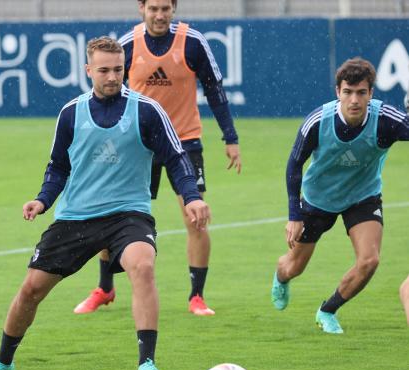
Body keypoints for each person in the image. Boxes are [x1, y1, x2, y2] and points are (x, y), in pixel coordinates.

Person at [0, 37, 210, 370]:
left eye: (118, 69)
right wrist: (42, 200)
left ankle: (147, 365)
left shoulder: (146, 111)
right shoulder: (72, 113)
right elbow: (58, 167)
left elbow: (176, 159)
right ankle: (4, 361)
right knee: (31, 291)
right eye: (103, 70)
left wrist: (191, 196)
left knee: (142, 266)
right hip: (76, 218)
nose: (112, 77)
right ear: (88, 71)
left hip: (128, 215)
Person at [74, 0, 241, 316]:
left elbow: (214, 89)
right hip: (137, 144)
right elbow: (108, 97)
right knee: (111, 214)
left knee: (196, 218)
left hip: (184, 142)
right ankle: (105, 288)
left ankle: (196, 296)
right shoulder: (128, 45)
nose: (160, 14)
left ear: (174, 8)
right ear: (141, 8)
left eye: (166, 8)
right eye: (154, 8)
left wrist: (230, 137)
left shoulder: (193, 43)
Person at [270, 57, 409, 334]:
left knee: (369, 261)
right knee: (294, 267)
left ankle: (327, 310)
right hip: (318, 199)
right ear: (338, 92)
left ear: (371, 93)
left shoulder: (385, 120)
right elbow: (294, 164)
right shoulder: (318, 121)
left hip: (362, 196)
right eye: (348, 92)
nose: (354, 100)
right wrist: (294, 215)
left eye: (361, 92)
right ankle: (280, 276)